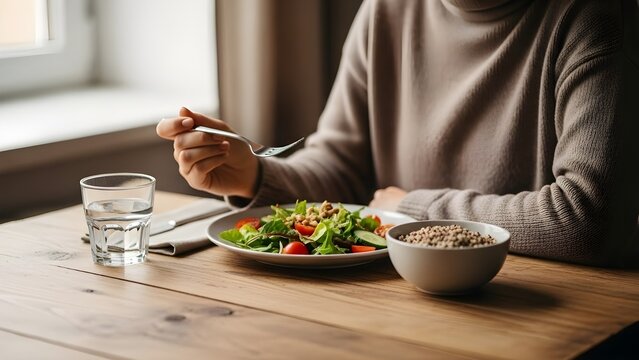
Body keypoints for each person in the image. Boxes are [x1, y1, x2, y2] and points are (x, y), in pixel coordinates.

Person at [157, 0, 639, 267]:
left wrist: (415, 212)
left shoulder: (593, 20)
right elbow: (343, 169)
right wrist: (255, 174)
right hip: (402, 300)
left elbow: (587, 219)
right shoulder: (386, 11)